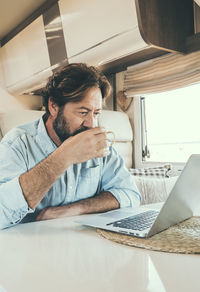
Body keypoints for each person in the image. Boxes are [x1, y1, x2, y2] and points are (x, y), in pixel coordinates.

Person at [0, 63, 140, 229]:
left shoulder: (100, 143)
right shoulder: (17, 144)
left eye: (96, 113)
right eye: (83, 112)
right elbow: (2, 213)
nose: (91, 124)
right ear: (53, 106)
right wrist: (64, 157)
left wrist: (75, 209)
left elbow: (130, 195)